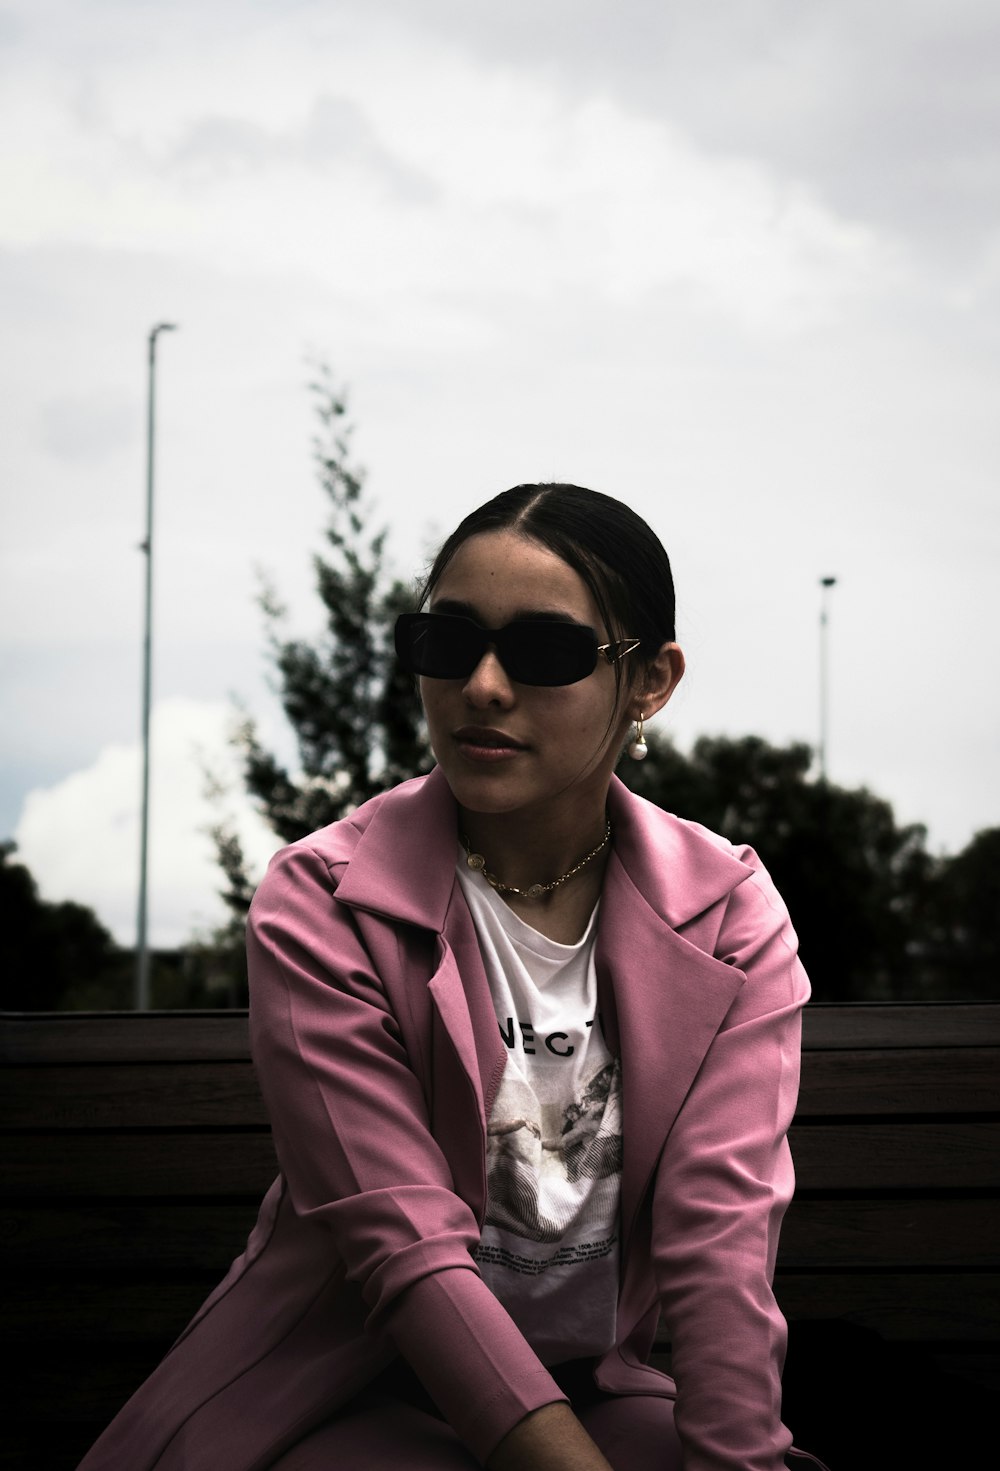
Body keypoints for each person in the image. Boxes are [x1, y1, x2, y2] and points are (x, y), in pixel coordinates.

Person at [79, 484, 824, 1471]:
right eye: (447, 641)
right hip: (328, 1396)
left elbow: (719, 1234)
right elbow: (406, 1248)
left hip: (590, 1391)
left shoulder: (727, 916)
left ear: (649, 680)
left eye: (544, 651)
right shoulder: (325, 901)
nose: (479, 684)